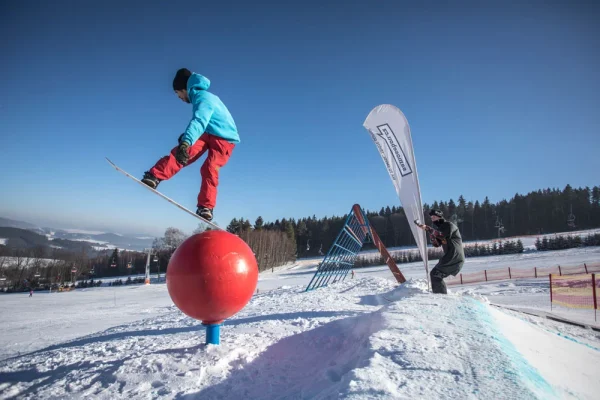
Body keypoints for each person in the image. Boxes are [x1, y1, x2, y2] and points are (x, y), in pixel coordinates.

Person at [141, 68, 240, 221]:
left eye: (177, 93)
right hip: (208, 132)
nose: (179, 97)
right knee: (185, 152)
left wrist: (187, 140)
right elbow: (202, 124)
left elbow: (199, 121)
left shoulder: (204, 98)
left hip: (225, 139)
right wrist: (186, 142)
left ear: (184, 89)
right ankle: (155, 176)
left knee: (209, 167)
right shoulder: (199, 98)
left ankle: (206, 207)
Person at [416, 209, 465, 294]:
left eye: (434, 217)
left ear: (440, 217)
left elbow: (442, 235)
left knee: (435, 274)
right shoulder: (440, 229)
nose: (432, 219)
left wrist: (428, 228)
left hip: (454, 255)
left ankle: (441, 297)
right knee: (435, 274)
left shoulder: (449, 225)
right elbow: (436, 244)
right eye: (431, 217)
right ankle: (440, 295)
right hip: (451, 256)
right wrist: (431, 234)